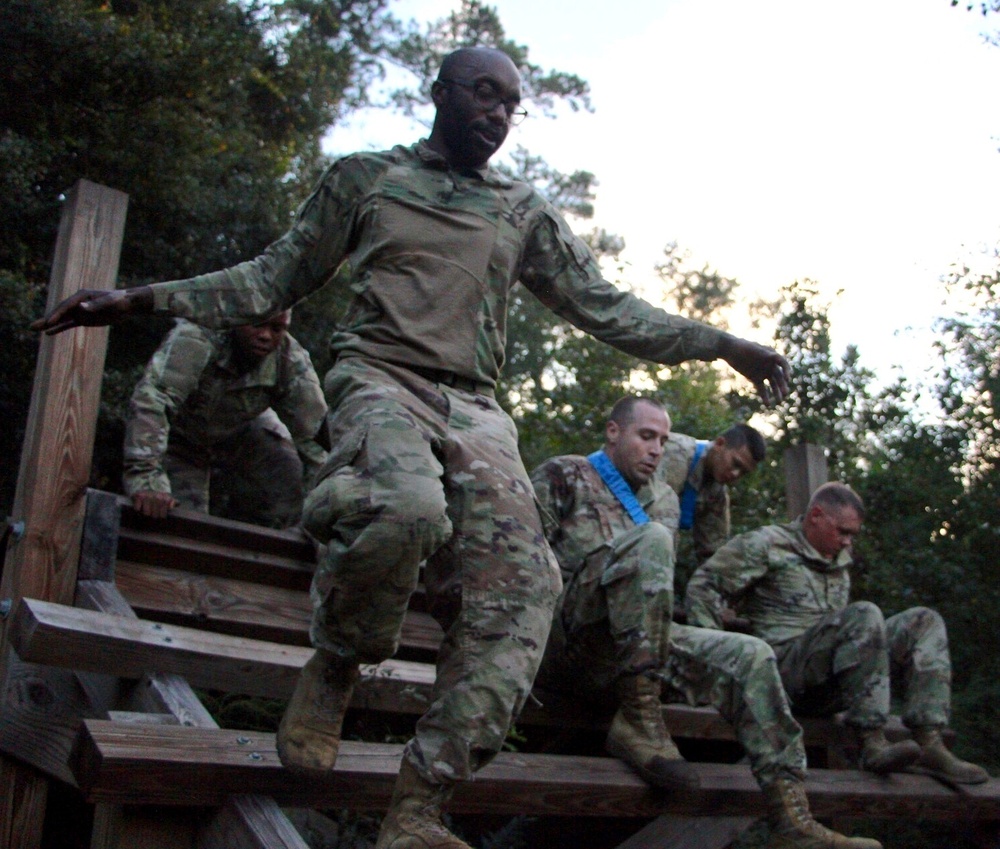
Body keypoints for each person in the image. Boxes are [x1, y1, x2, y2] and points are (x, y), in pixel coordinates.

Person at [34, 47, 792, 849]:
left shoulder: (520, 209)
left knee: (530, 586)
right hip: (380, 378)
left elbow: (607, 307)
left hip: (478, 409)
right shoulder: (366, 179)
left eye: (511, 104)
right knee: (407, 507)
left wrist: (719, 343)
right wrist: (136, 299)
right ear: (440, 92)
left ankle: (420, 802)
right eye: (482, 93)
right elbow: (270, 279)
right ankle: (335, 661)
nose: (497, 113)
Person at [531, 397, 880, 849]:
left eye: (662, 439)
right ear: (613, 432)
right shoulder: (566, 474)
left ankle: (791, 816)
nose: (657, 449)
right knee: (651, 540)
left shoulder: (664, 502)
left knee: (750, 653)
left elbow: (704, 562)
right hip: (569, 641)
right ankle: (640, 718)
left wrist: (710, 623)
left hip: (634, 648)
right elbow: (517, 560)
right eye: (645, 436)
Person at [685, 481, 989, 787]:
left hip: (829, 680)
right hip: (781, 676)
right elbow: (704, 586)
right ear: (816, 515)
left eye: (852, 535)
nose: (847, 542)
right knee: (865, 613)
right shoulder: (766, 544)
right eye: (842, 531)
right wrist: (718, 659)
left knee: (923, 620)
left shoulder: (838, 557)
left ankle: (930, 742)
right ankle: (871, 742)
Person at [123, 310, 328, 527]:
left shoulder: (291, 360)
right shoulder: (197, 336)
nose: (266, 336)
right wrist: (146, 479)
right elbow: (154, 401)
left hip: (242, 430)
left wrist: (330, 509)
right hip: (180, 438)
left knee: (286, 464)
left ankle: (294, 537)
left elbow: (315, 437)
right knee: (181, 521)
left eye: (276, 329)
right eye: (258, 324)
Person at [657, 423, 765, 562]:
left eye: (743, 472)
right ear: (719, 444)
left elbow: (714, 553)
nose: (735, 474)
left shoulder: (717, 494)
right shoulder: (673, 451)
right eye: (736, 464)